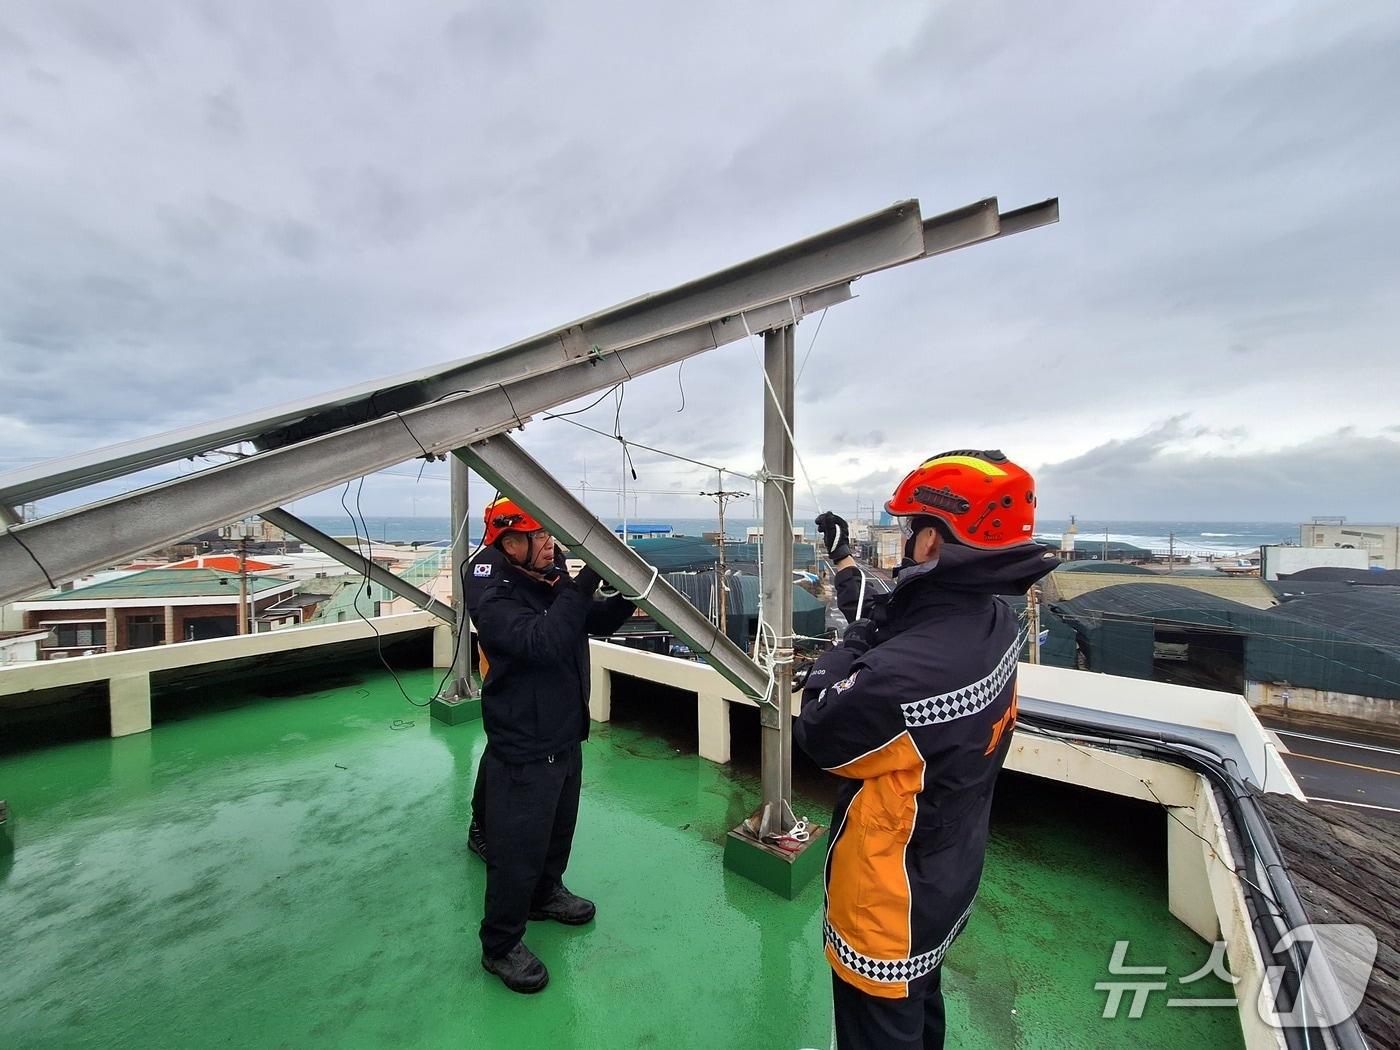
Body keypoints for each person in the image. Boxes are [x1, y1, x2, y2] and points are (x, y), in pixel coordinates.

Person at [795, 450, 1057, 1050]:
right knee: (920, 1009)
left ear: (932, 539)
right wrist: (845, 563)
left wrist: (843, 652)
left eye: (909, 528)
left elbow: (820, 726)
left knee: (879, 1030)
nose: (904, 538)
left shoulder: (904, 674)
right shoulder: (988, 622)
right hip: (944, 871)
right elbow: (905, 614)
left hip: (891, 899)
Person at [471, 497, 635, 994]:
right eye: (538, 536)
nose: (550, 545)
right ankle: (500, 945)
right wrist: (585, 582)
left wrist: (629, 593)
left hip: (563, 733)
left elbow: (592, 620)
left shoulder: (547, 574)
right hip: (523, 743)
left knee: (557, 831)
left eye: (549, 534)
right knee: (516, 850)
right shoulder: (492, 593)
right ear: (508, 542)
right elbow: (542, 640)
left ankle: (546, 894)